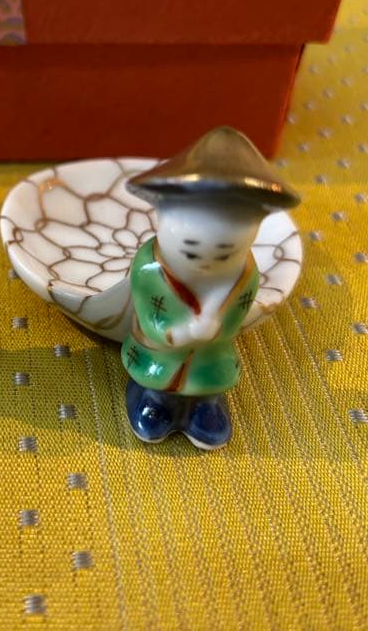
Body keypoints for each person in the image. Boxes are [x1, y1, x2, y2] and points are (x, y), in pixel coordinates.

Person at [121, 127, 300, 449]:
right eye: (190, 251)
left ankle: (205, 407)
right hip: (161, 354)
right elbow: (150, 317)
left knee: (210, 377)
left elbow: (234, 320)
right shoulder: (149, 268)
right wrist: (181, 333)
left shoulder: (245, 277)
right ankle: (155, 402)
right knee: (157, 379)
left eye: (224, 253)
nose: (205, 263)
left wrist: (216, 328)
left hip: (211, 355)